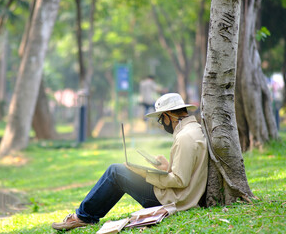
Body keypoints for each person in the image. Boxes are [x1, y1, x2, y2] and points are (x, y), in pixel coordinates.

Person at [51, 93, 208, 231]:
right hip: (178, 196)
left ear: (168, 116)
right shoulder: (194, 130)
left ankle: (83, 217)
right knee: (120, 172)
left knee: (115, 172)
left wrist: (145, 174)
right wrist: (166, 168)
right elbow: (185, 172)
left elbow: (180, 180)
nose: (162, 125)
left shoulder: (184, 137)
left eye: (161, 120)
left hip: (173, 201)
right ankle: (87, 215)